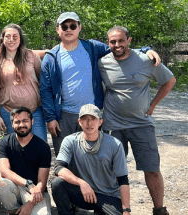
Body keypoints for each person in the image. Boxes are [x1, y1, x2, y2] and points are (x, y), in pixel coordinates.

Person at [98, 26, 180, 215]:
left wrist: (152, 106)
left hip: (141, 125)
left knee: (152, 168)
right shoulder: (103, 62)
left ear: (129, 40)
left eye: (120, 41)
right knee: (111, 171)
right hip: (113, 126)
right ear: (108, 43)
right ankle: (111, 211)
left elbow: (169, 80)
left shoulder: (146, 60)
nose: (117, 45)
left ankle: (160, 212)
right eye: (112, 42)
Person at [40, 11, 159, 155]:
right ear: (58, 29)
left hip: (91, 113)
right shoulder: (51, 58)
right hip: (63, 116)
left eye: (73, 25)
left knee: (91, 158)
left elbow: (119, 48)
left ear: (80, 27)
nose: (69, 29)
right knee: (65, 158)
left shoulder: (91, 47)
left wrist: (146, 50)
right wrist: (51, 118)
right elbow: (45, 90)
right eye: (64, 26)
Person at [51, 104, 138, 215]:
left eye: (93, 118)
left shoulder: (114, 144)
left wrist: (126, 211)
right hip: (84, 193)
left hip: (108, 196)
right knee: (57, 183)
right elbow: (59, 167)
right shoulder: (70, 141)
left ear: (100, 122)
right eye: (84, 119)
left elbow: (123, 180)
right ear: (79, 122)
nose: (89, 123)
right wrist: (81, 183)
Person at [0, 107, 52, 215]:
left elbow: (42, 183)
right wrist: (28, 184)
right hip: (18, 187)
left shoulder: (42, 147)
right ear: (12, 124)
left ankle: (27, 214)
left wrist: (30, 204)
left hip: (36, 193)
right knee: (3, 184)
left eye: (25, 121)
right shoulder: (5, 142)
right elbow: (4, 171)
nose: (21, 125)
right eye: (17, 122)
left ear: (32, 121)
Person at [0, 24, 47, 141]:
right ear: (3, 39)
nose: (11, 40)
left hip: (34, 111)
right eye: (8, 36)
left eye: (15, 37)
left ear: (20, 39)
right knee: (17, 152)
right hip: (9, 113)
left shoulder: (31, 56)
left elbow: (42, 82)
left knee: (40, 147)